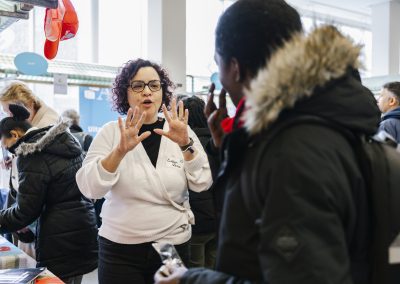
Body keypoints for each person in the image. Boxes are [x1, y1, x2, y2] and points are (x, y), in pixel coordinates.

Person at [154, 0, 381, 284]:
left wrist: (191, 280)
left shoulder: (292, 151)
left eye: (219, 64)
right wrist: (228, 147)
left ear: (235, 68)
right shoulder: (317, 123)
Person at [75, 58, 213, 284]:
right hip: (120, 248)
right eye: (138, 86)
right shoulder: (111, 132)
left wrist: (185, 145)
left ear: (162, 92)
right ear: (125, 93)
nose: (146, 91)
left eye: (154, 85)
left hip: (172, 246)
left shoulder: (179, 130)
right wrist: (119, 151)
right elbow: (89, 188)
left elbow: (202, 182)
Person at [0, 104, 98, 284]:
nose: (7, 150)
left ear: (15, 134)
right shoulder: (63, 140)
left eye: (4, 145)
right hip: (83, 229)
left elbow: (25, 211)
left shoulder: (31, 155)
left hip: (58, 239)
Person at [0, 81, 60, 256]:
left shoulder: (44, 130)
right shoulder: (31, 129)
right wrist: (14, 157)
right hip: (34, 214)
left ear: (28, 106)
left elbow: (38, 176)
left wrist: (21, 216)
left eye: (10, 113)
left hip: (42, 217)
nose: (9, 119)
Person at [179, 95, 218, 269]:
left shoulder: (184, 147)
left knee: (195, 270)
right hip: (218, 219)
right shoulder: (218, 141)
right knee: (213, 269)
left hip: (196, 222)